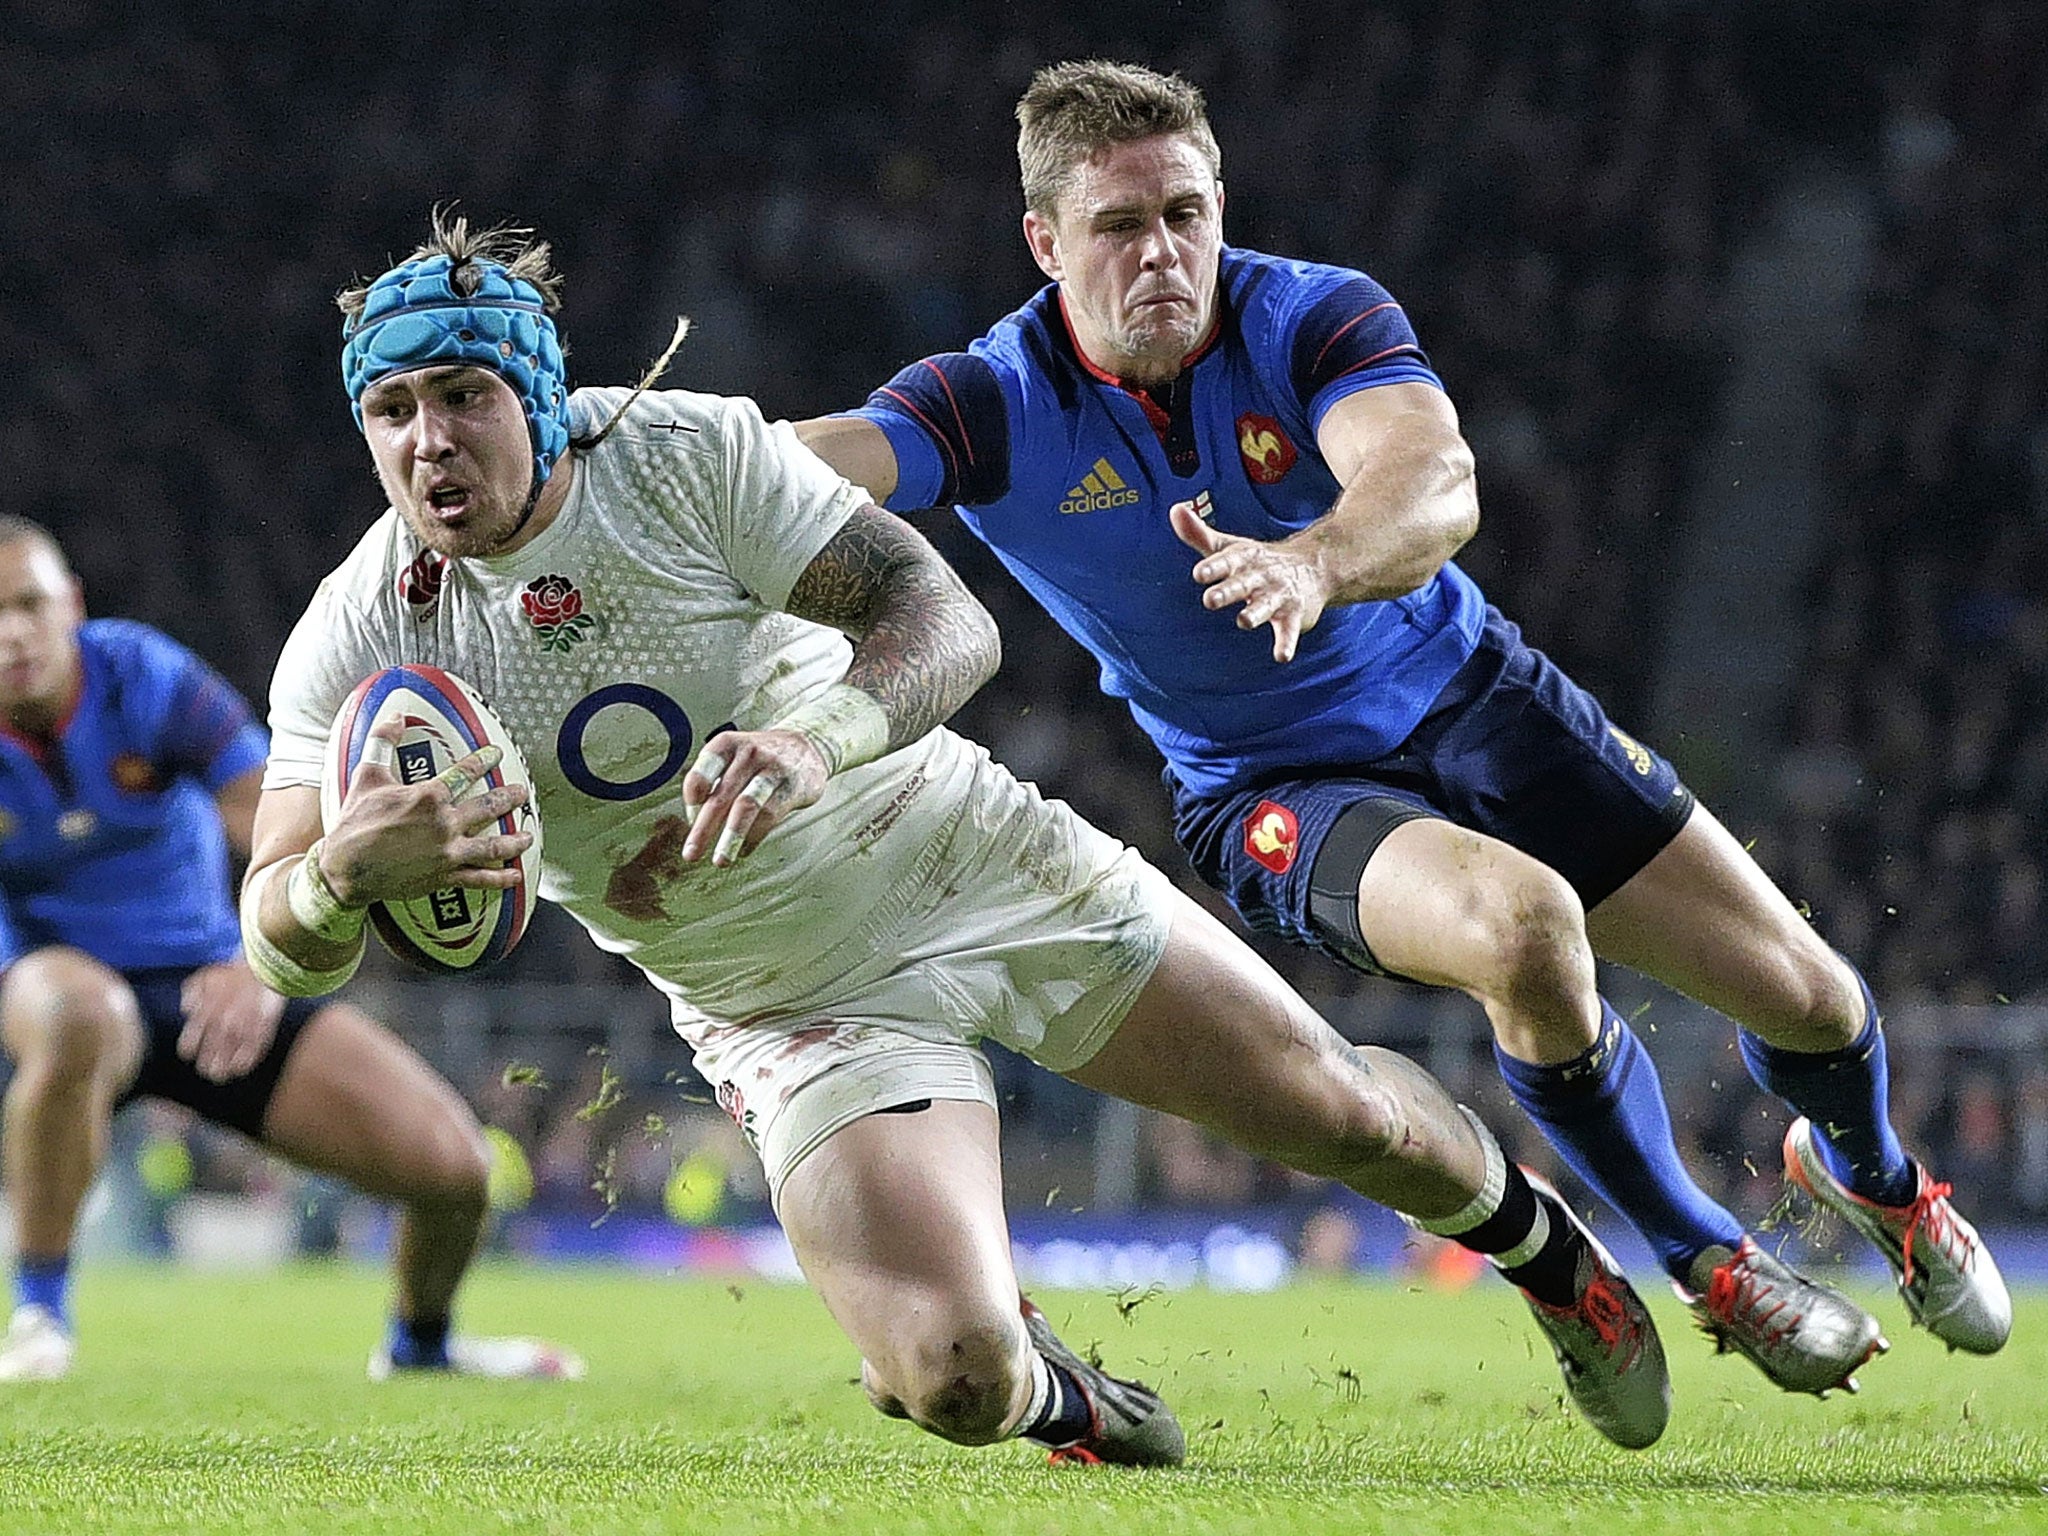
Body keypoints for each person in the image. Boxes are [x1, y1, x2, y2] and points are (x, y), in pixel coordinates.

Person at [245, 207, 1678, 1461]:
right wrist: (337, 878)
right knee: (955, 1384)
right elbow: (279, 942)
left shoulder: (683, 460)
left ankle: (1553, 1260)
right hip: (786, 1003)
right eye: (393, 412)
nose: (429, 440)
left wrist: (818, 741)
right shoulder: (360, 630)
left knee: (1347, 1117)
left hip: (969, 859)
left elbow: (942, 620)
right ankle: (1063, 1391)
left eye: (466, 395)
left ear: (540, 395)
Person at [794, 59, 2011, 1395]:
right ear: (1044, 240)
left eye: (1186, 213)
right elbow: (797, 465)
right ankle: (1707, 1260)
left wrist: (1313, 559)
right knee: (1521, 927)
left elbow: (1433, 479)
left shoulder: (1311, 314)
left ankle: (1884, 1188)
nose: (1164, 252)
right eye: (1118, 225)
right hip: (1281, 786)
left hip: (1480, 698)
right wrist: (617, 466)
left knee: (1817, 1003)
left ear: (1220, 204)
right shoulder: (990, 402)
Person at [0, 516, 580, 1384]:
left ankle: (421, 1348)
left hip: (208, 982)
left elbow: (271, 811)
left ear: (71, 605)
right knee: (83, 1012)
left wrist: (256, 960)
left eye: (29, 605)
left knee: (455, 1170)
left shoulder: (141, 674)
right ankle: (40, 1313)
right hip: (51, 994)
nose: (12, 633)